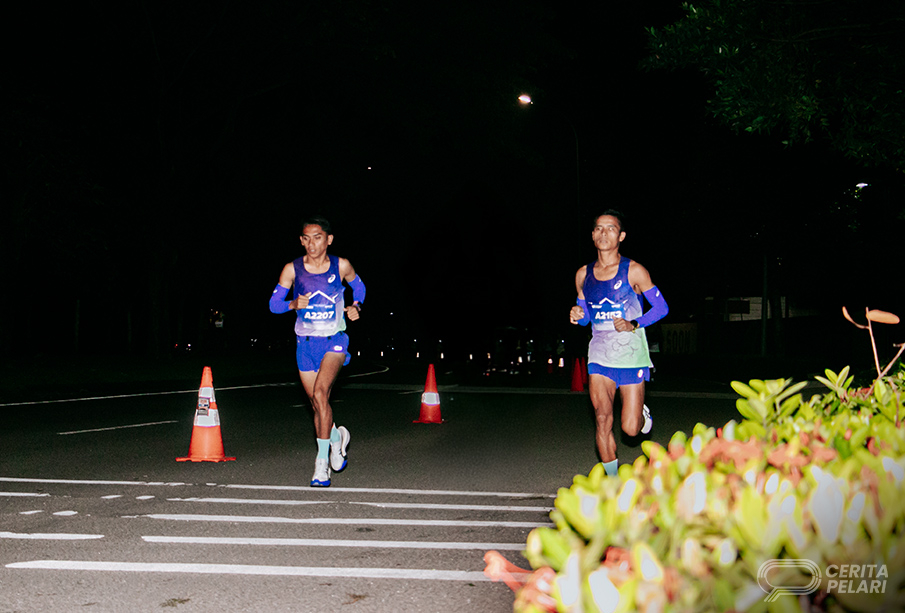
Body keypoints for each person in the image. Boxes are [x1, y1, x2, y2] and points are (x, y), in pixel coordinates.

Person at [569, 210, 668, 477]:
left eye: (611, 228)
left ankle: (642, 415)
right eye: (599, 228)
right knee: (602, 418)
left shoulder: (634, 270)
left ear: (621, 236)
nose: (604, 233)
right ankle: (612, 482)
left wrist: (634, 323)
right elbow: (586, 317)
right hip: (599, 356)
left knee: (630, 429)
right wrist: (577, 315)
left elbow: (661, 307)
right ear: (592, 235)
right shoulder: (583, 275)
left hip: (631, 356)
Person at [269, 216, 365, 487]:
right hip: (306, 344)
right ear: (301, 240)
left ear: (328, 239)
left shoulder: (341, 265)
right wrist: (291, 304)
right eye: (306, 238)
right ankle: (338, 438)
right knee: (316, 403)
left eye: (318, 237)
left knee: (321, 394)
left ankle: (321, 464)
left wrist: (357, 305)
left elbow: (359, 287)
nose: (312, 243)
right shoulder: (292, 269)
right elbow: (273, 304)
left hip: (334, 340)